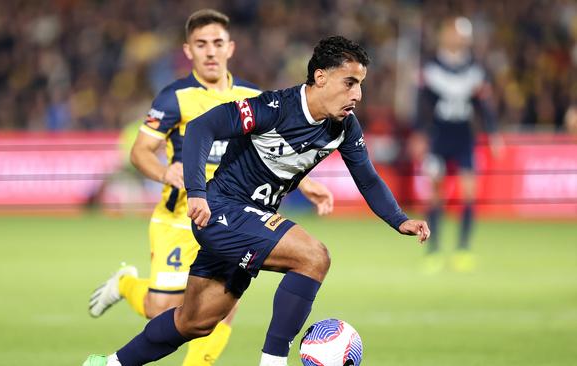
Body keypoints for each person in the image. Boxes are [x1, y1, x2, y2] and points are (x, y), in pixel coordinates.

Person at [83, 35, 429, 366]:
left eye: (360, 84)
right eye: (349, 82)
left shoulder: (344, 127)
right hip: (221, 210)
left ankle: (110, 363)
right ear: (320, 78)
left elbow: (366, 178)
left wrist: (399, 219)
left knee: (196, 321)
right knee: (313, 257)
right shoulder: (274, 108)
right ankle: (273, 360)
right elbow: (202, 128)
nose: (357, 93)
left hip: (251, 222)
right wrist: (198, 193)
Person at [87, 9, 334, 366]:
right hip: (180, 216)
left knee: (217, 311)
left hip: (233, 214)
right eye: (201, 44)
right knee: (163, 309)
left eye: (217, 43)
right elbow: (140, 152)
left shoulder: (252, 95)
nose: (210, 52)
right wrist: (164, 173)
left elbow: (276, 152)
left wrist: (307, 185)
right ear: (188, 51)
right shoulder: (175, 98)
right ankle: (126, 284)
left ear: (230, 47)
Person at [409, 16, 501, 274]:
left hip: (464, 136)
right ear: (445, 35)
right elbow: (421, 104)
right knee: (436, 193)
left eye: (462, 35)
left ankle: (463, 249)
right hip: (438, 136)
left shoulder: (475, 69)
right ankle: (434, 250)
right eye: (454, 33)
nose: (458, 39)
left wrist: (492, 133)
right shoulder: (430, 67)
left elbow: (484, 104)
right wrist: (418, 133)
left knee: (469, 192)